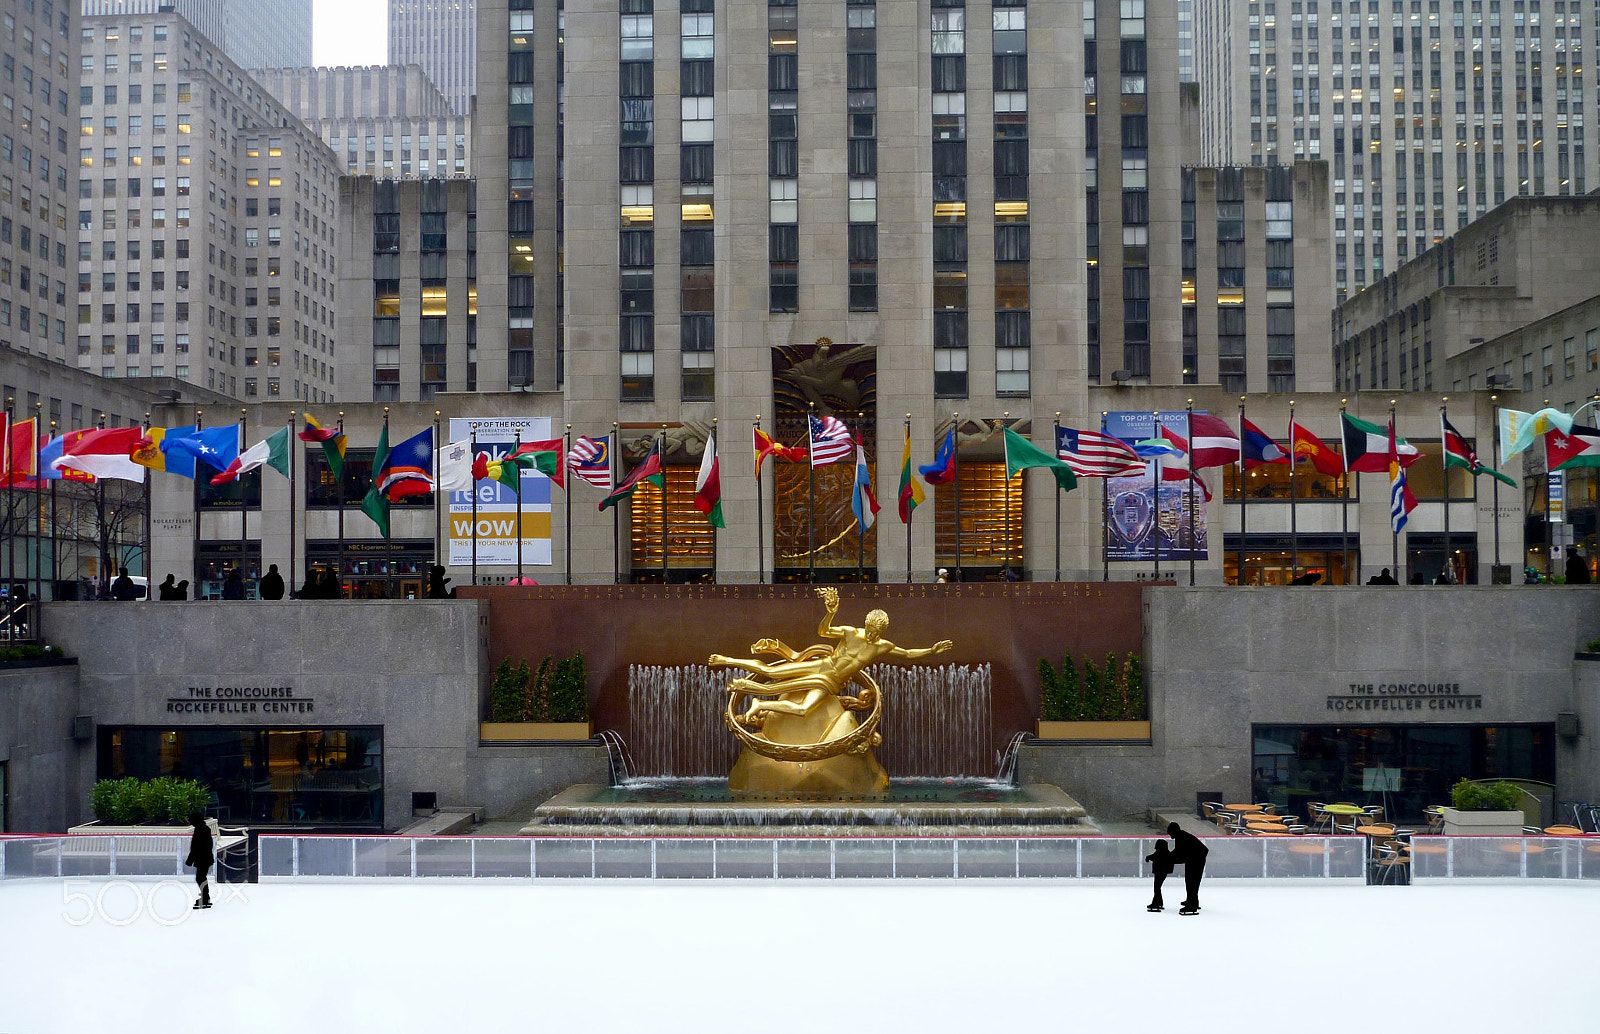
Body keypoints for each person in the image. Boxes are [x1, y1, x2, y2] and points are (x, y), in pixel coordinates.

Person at [1166, 821, 1210, 915]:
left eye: (1170, 833)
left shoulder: (1181, 837)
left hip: (1196, 860)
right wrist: (1169, 857)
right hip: (1194, 859)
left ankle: (1192, 905)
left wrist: (1167, 858)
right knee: (1191, 881)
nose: (1170, 836)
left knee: (1191, 882)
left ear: (1174, 831)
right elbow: (1178, 852)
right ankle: (1192, 901)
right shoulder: (1181, 836)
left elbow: (1178, 853)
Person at [184, 811, 213, 909]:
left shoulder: (200, 830)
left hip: (203, 858)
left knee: (200, 878)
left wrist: (189, 860)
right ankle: (205, 897)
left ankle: (205, 898)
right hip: (205, 857)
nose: (189, 821)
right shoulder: (203, 828)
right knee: (201, 877)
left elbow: (196, 847)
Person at [1145, 840, 1174, 912]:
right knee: (1157, 888)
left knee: (1157, 888)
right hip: (1161, 872)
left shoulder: (1161, 853)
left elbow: (1154, 857)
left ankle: (1156, 904)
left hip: (1160, 872)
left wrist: (1148, 857)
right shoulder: (1163, 852)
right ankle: (1159, 903)